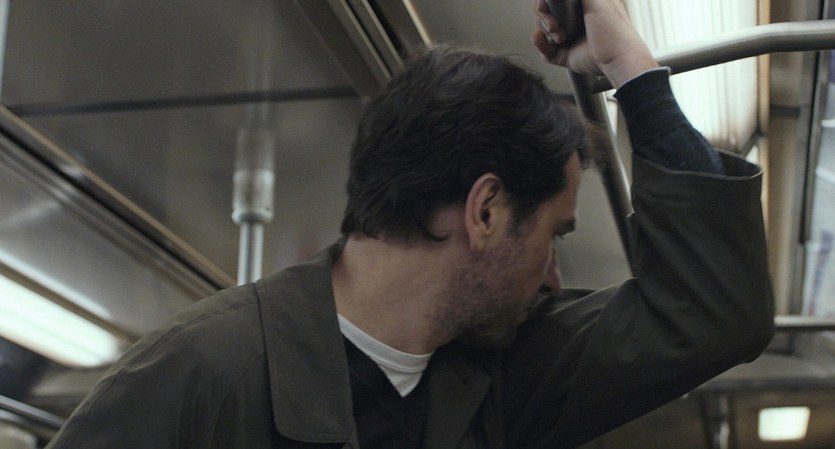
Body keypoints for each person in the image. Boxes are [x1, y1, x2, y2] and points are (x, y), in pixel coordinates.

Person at [45, 0, 774, 448]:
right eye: (553, 236)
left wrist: (630, 67)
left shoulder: (498, 375)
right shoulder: (199, 376)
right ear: (485, 212)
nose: (554, 277)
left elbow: (713, 315)